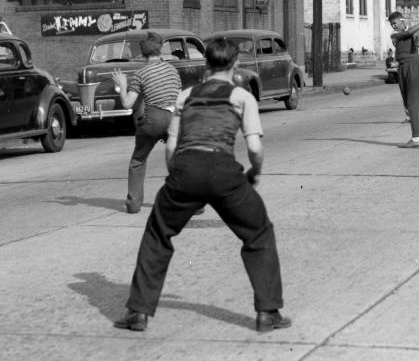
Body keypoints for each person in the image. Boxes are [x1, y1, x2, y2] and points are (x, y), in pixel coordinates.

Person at [113, 37, 290, 334]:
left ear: (206, 64)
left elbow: (171, 147)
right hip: (224, 171)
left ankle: (138, 312)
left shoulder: (186, 96)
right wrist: (254, 174)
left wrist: (178, 179)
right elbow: (255, 148)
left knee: (157, 233)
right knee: (258, 232)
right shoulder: (242, 97)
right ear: (234, 65)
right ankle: (267, 312)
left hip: (186, 169)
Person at [111, 32, 182, 214]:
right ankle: (192, 202)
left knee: (138, 160)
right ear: (161, 50)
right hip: (174, 118)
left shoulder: (140, 74)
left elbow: (127, 103)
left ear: (142, 53)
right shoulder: (172, 70)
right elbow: (179, 96)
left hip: (153, 119)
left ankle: (134, 204)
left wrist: (122, 85)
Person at [388, 12, 419, 148]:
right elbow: (406, 34)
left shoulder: (413, 31)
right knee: (410, 104)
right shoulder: (395, 35)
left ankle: (416, 138)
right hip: (402, 69)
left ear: (402, 21)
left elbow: (418, 42)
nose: (393, 26)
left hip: (414, 67)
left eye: (395, 23)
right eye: (391, 24)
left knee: (413, 103)